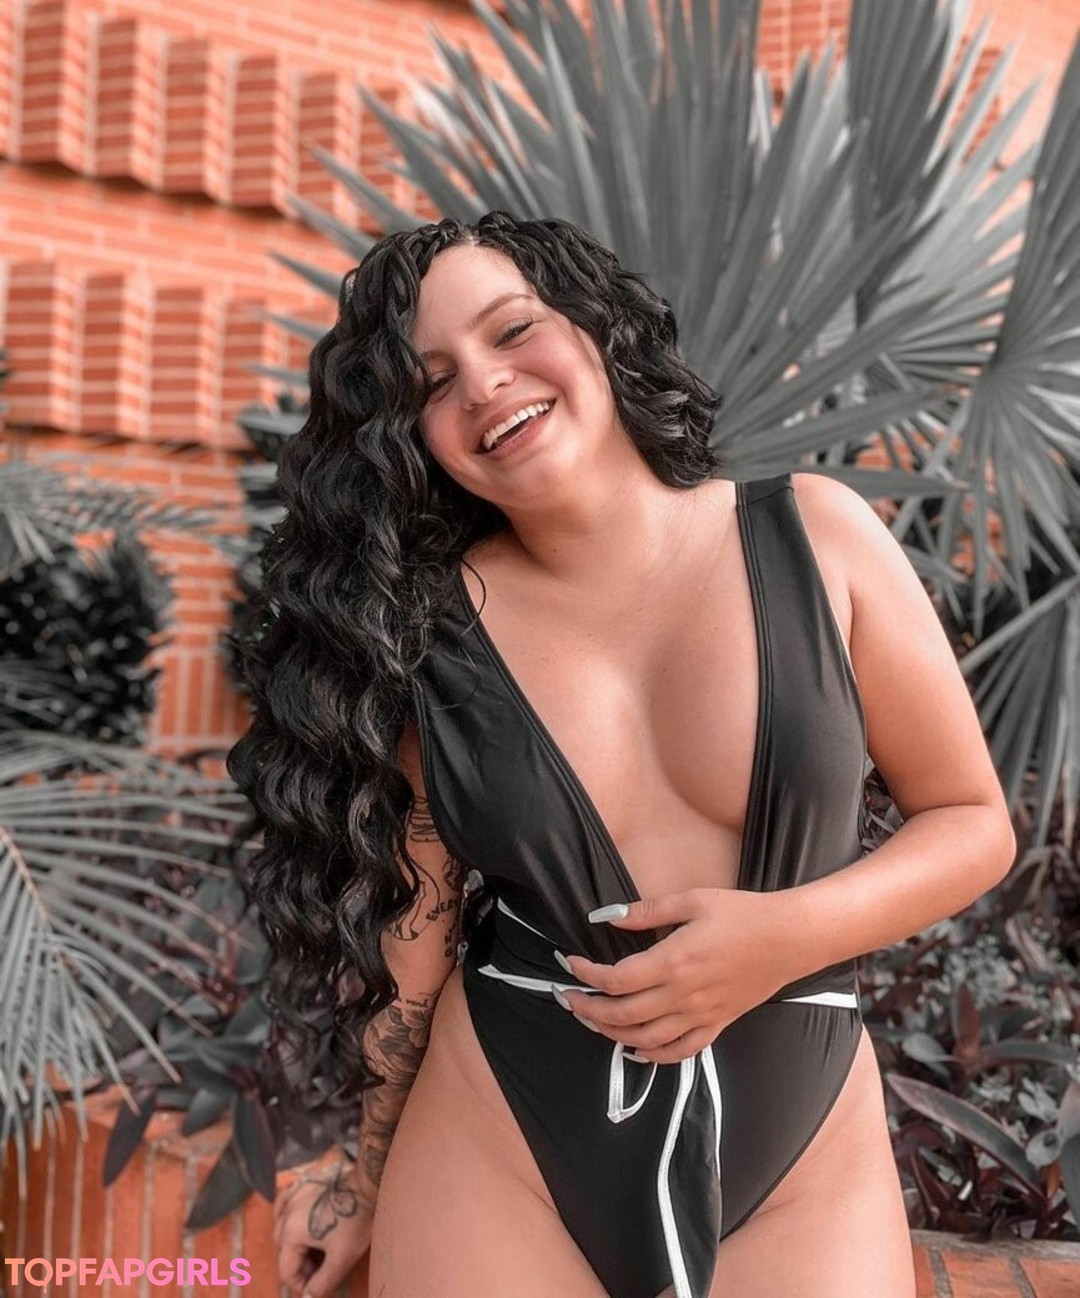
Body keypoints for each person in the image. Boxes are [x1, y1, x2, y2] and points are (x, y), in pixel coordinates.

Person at [229, 210, 1016, 1298]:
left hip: (800, 1153)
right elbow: (422, 921)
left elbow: (973, 821)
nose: (485, 385)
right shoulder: (427, 634)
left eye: (514, 330)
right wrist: (362, 1173)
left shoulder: (816, 538)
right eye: (432, 383)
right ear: (410, 438)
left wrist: (781, 937)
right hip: (503, 1139)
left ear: (596, 328)